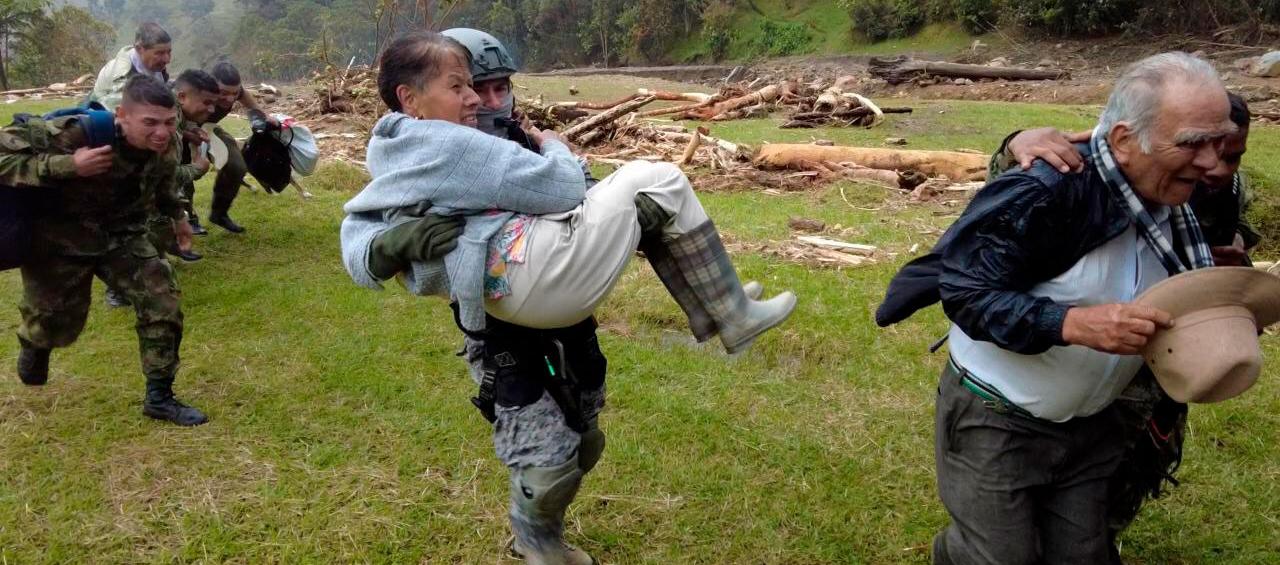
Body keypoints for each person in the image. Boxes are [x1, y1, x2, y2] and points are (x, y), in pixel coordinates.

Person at [340, 31, 795, 564]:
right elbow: (364, 225)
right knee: (545, 458)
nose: (486, 101)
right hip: (504, 333)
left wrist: (620, 217)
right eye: (473, 88)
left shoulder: (507, 140)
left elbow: (582, 198)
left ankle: (720, 307)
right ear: (415, 98)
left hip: (564, 319)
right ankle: (534, 541)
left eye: (499, 88)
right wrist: (388, 247)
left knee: (584, 440)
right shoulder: (445, 145)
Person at [879, 52, 1234, 564]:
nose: (1212, 162)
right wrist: (1070, 323)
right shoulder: (1047, 188)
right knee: (998, 557)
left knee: (1081, 555)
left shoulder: (1186, 197)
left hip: (1096, 422)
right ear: (1123, 140)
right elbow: (965, 290)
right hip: (997, 417)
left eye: (1218, 141)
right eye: (1192, 143)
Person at [988, 91, 1260, 555]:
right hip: (1082, 353)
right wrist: (1016, 141)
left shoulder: (1228, 192)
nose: (1215, 167)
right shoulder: (1109, 167)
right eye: (1200, 149)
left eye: (1231, 156)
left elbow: (1230, 254)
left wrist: (1229, 267)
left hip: (1162, 365)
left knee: (1122, 474)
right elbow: (1013, 201)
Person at [4, 75, 209, 426]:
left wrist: (179, 217)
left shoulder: (166, 143)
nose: (161, 132)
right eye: (150, 122)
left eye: (169, 121)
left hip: (122, 236)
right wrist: (68, 165)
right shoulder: (77, 134)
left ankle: (160, 397)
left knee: (162, 303)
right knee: (52, 322)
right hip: (60, 239)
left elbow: (163, 182)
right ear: (122, 115)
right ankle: (35, 344)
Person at [204, 61, 277, 233]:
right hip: (183, 131)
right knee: (185, 172)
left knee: (236, 166)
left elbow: (247, 99)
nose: (230, 99)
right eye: (223, 93)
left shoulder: (236, 91)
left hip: (209, 129)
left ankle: (219, 214)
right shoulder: (197, 89)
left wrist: (264, 116)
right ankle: (186, 219)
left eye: (234, 93)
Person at [90, 22, 172, 112]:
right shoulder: (122, 78)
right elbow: (120, 113)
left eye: (169, 52)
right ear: (139, 49)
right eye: (159, 53)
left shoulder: (154, 65)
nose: (167, 60)